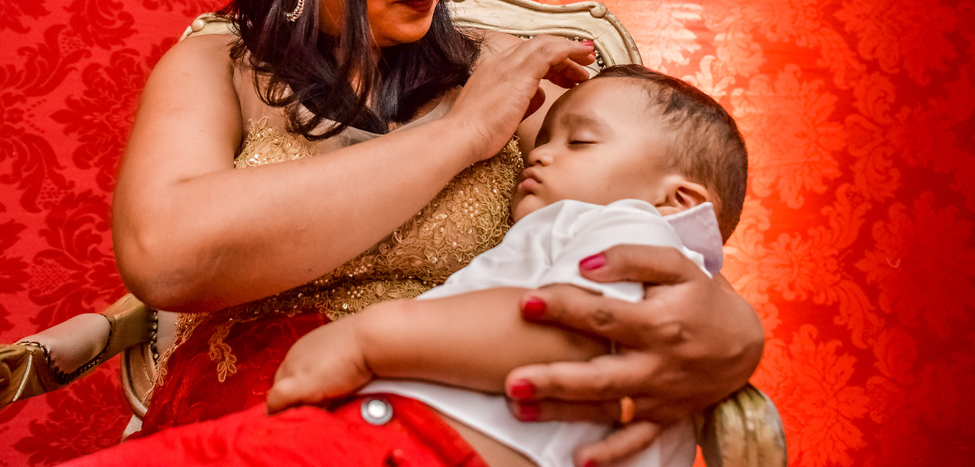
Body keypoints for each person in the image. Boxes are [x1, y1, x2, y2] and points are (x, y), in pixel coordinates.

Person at [102, 0, 762, 465]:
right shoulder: (216, 69)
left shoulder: (510, 74)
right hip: (244, 423)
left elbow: (647, 229)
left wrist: (737, 330)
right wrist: (458, 135)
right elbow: (167, 257)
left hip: (451, 433)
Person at [64, 65, 748, 467]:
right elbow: (162, 258)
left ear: (679, 201)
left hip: (414, 440)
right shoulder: (218, 61)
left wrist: (368, 339)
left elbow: (580, 327)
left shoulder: (609, 212)